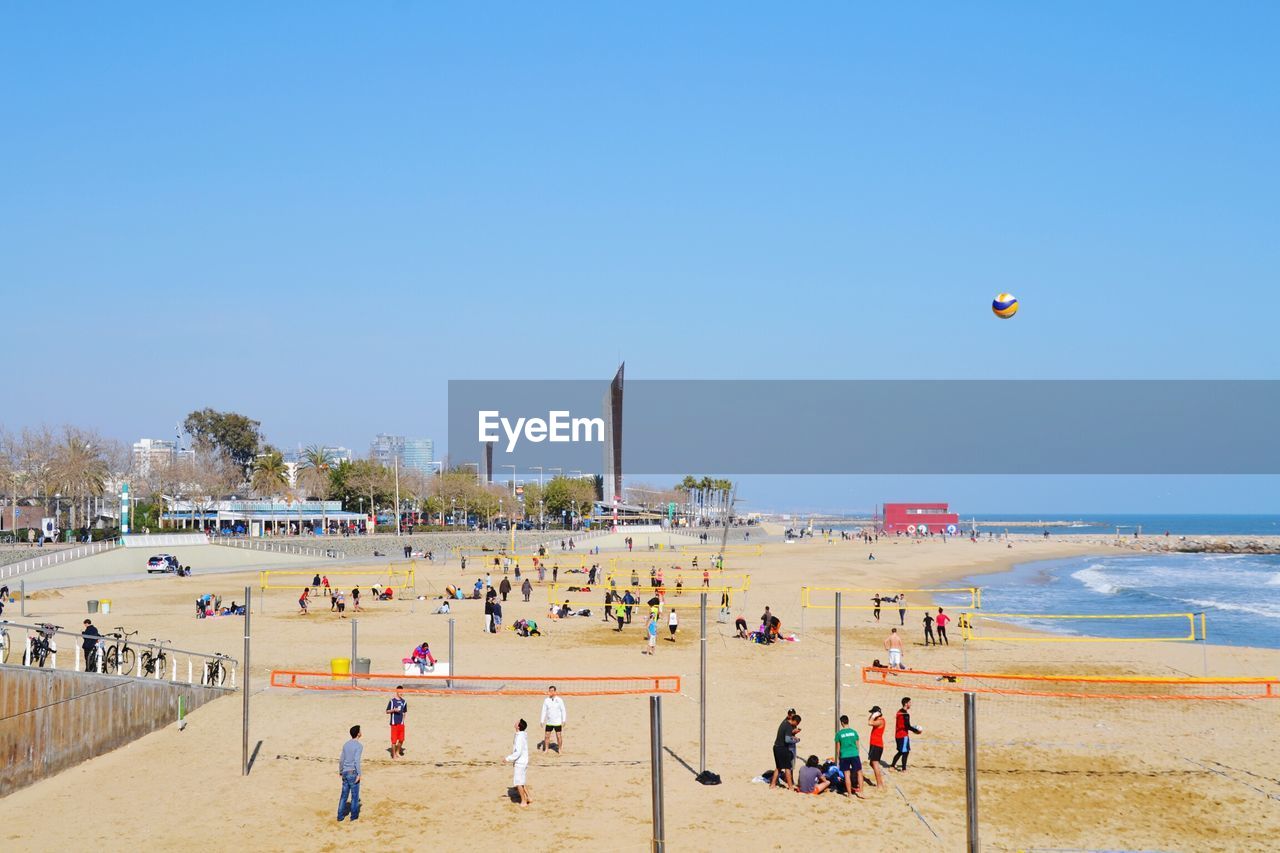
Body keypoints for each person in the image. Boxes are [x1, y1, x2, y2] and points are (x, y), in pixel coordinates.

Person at [834, 715, 866, 798]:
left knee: (846, 774)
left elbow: (838, 748)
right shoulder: (854, 732)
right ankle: (861, 792)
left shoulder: (839, 734)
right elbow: (857, 745)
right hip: (854, 754)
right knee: (859, 772)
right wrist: (856, 753)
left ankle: (849, 794)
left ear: (841, 723)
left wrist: (838, 757)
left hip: (844, 755)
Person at [337, 725, 363, 822]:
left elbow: (341, 760)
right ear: (358, 734)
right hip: (353, 772)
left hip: (345, 772)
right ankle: (354, 817)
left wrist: (340, 771)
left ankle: (340, 816)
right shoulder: (359, 746)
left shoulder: (346, 744)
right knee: (355, 796)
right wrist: (359, 774)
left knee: (344, 796)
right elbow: (356, 760)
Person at [889, 697, 923, 771]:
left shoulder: (899, 711)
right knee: (905, 752)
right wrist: (916, 731)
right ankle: (903, 769)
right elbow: (907, 726)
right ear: (906, 703)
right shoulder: (905, 714)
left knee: (901, 751)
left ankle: (892, 766)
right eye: (910, 703)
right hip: (903, 735)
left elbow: (904, 724)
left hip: (897, 734)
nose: (911, 704)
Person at [505, 718, 531, 807]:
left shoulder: (520, 736)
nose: (515, 722)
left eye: (517, 722)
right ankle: (529, 797)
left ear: (519, 726)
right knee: (522, 781)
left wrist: (508, 759)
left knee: (518, 783)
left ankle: (523, 801)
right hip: (523, 761)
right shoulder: (522, 734)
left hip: (520, 762)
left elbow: (518, 752)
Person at [769, 711, 797, 791]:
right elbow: (787, 740)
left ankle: (772, 784)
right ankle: (790, 787)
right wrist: (796, 740)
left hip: (776, 747)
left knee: (778, 767)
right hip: (782, 748)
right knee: (787, 768)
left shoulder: (784, 723)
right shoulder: (788, 726)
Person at [539, 685, 567, 753]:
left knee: (558, 736)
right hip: (549, 722)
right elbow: (544, 710)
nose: (550, 692)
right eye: (549, 691)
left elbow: (563, 710)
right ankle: (546, 750)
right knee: (546, 736)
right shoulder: (546, 700)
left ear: (555, 691)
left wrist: (564, 720)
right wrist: (542, 720)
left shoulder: (559, 700)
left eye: (552, 691)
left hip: (557, 722)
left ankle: (560, 750)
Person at [866, 706, 886, 789]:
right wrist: (873, 715)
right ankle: (880, 781)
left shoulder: (880, 721)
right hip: (875, 744)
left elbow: (869, 723)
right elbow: (869, 720)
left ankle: (879, 785)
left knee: (875, 764)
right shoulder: (878, 720)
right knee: (872, 763)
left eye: (873, 713)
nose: (871, 714)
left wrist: (874, 716)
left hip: (876, 745)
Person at [386, 686, 408, 758]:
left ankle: (397, 752)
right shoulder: (392, 701)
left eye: (402, 692)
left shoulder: (404, 702)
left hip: (401, 723)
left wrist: (403, 720)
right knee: (394, 740)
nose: (401, 693)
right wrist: (393, 710)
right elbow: (387, 711)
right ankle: (394, 755)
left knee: (401, 739)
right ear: (397, 692)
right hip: (394, 723)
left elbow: (404, 712)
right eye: (399, 692)